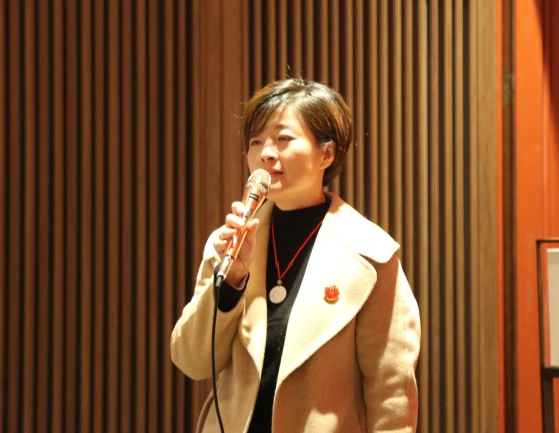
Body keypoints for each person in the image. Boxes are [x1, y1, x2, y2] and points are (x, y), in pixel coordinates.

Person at [171, 77, 421, 433]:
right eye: (255, 141)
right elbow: (192, 360)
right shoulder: (228, 243)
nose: (265, 153)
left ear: (326, 154)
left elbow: (390, 392)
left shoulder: (371, 256)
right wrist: (231, 283)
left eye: (283, 139)